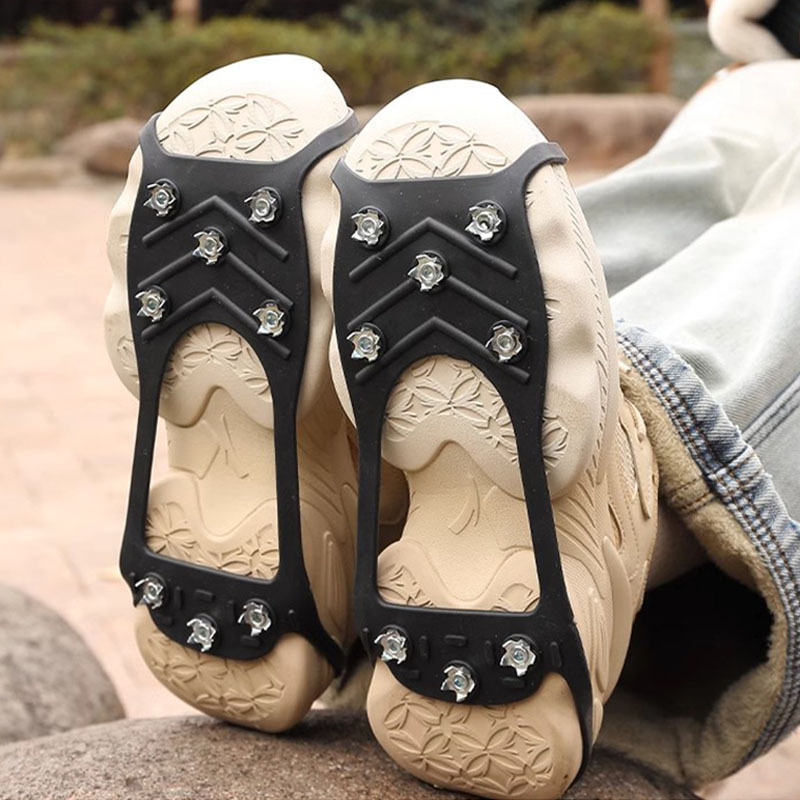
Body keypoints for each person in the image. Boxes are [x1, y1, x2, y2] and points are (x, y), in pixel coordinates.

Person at [103, 7, 800, 798]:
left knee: (705, 182)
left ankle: (427, 461)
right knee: (717, 172)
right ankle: (564, 446)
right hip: (768, 63)